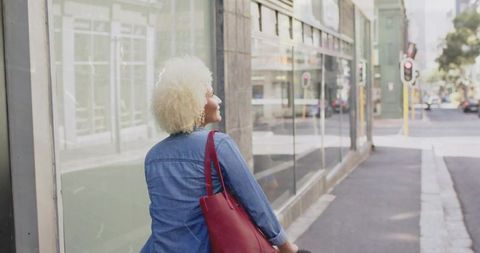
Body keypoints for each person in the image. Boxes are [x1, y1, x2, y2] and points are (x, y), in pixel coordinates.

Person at [140, 56, 303, 253]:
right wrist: (286, 246)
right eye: (211, 94)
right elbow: (254, 202)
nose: (218, 100)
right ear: (195, 103)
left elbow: (165, 218)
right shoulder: (217, 144)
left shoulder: (153, 157)